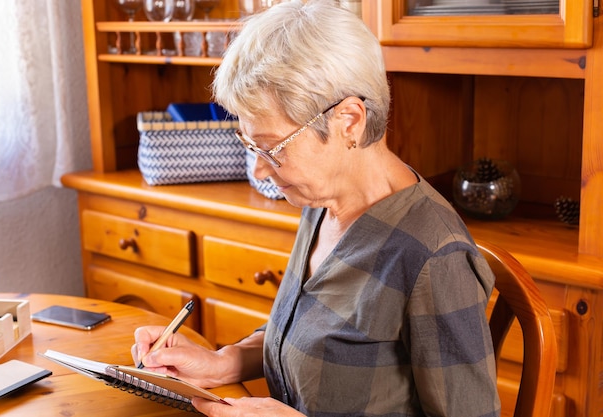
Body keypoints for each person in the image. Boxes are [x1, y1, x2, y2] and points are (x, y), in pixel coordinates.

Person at [132, 1, 501, 415]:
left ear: (349, 121)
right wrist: (223, 362)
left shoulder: (434, 257)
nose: (259, 168)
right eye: (251, 144)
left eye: (272, 148)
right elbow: (306, 333)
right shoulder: (321, 201)